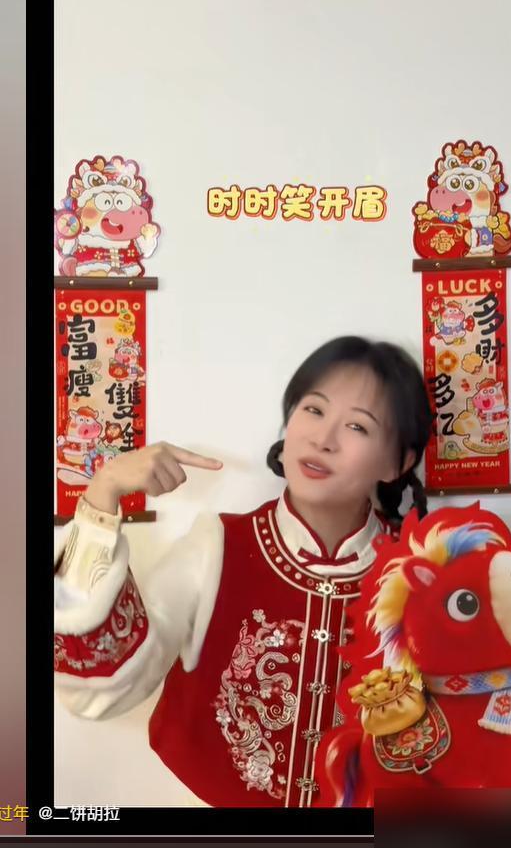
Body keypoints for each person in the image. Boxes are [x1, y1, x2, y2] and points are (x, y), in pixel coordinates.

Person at [54, 335, 434, 808]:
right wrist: (102, 494)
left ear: (399, 462)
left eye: (357, 426)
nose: (323, 439)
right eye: (313, 410)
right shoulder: (218, 545)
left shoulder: (424, 573)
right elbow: (103, 688)